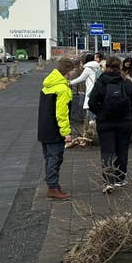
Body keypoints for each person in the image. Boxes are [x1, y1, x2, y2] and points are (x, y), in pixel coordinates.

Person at [89, 56, 132, 192]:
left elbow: (91, 103)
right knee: (122, 150)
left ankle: (108, 181)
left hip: (105, 123)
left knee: (107, 151)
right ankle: (120, 178)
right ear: (120, 67)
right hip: (125, 122)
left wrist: (100, 112)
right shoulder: (127, 82)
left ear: (106, 67)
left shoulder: (100, 82)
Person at [37, 57, 76, 201]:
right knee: (55, 158)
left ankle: (53, 184)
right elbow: (61, 113)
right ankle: (53, 187)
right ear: (69, 71)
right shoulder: (62, 89)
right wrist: (66, 132)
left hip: (44, 128)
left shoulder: (47, 85)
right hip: (55, 130)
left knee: (49, 158)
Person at [69, 52, 102, 122]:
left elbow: (80, 78)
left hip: (90, 91)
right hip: (98, 90)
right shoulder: (98, 67)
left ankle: (92, 128)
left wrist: (70, 82)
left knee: (90, 111)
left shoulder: (88, 69)